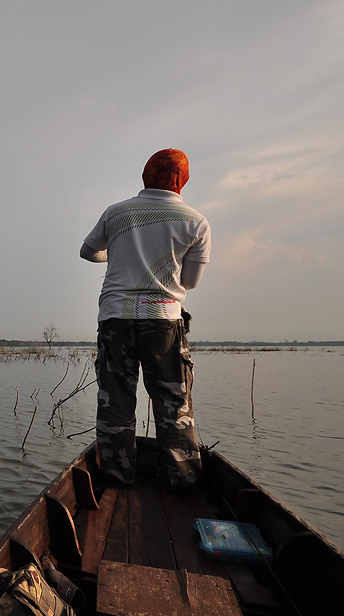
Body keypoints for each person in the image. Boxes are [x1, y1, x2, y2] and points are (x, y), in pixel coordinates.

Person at [80, 148, 211, 493]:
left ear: (145, 176)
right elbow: (191, 282)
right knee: (173, 402)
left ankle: (118, 476)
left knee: (116, 400)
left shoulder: (117, 212)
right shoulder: (195, 222)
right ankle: (181, 480)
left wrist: (114, 253)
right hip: (164, 321)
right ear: (182, 181)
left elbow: (87, 251)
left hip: (115, 318)